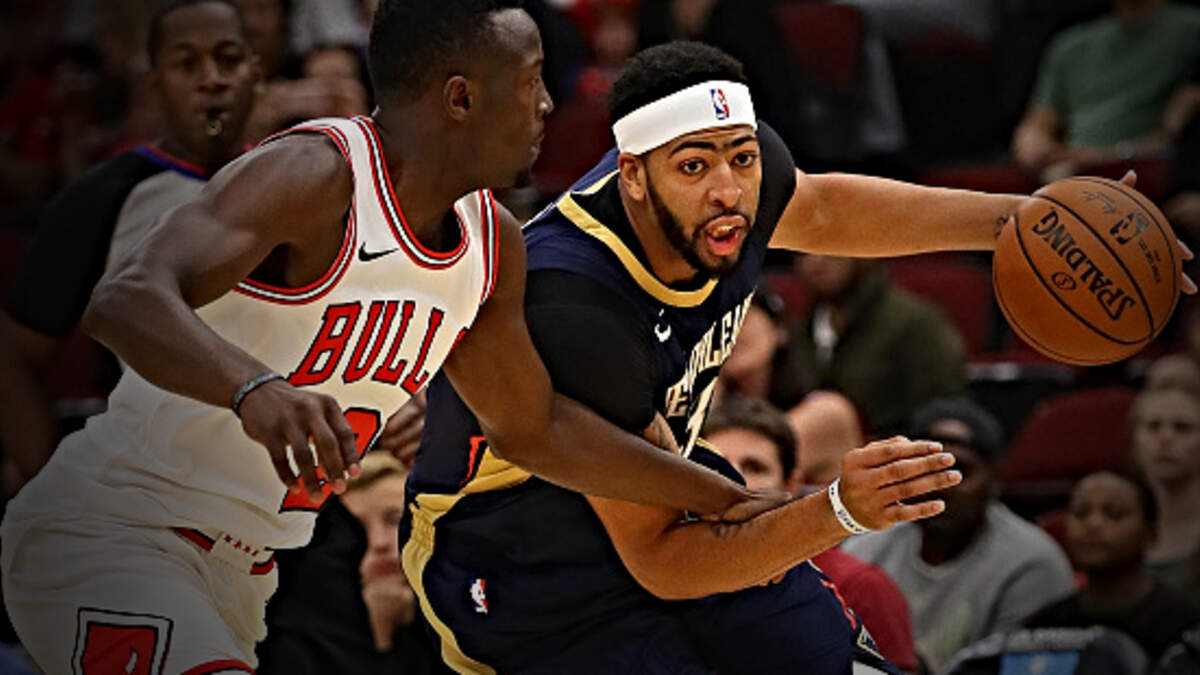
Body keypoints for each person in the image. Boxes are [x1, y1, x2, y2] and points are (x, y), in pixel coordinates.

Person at [0, 4, 790, 672]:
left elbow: (536, 429)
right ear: (460, 97)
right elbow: (125, 297)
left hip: (246, 571)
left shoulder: (492, 244)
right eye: (530, 81)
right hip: (115, 532)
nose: (549, 104)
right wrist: (255, 389)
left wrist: (721, 496)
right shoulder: (317, 175)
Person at [397, 39, 1126, 674]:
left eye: (742, 159)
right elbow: (662, 558)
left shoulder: (740, 183)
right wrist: (837, 508)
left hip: (662, 482)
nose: (728, 192)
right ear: (633, 177)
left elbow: (827, 209)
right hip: (517, 557)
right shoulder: (575, 305)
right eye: (692, 167)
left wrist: (1022, 219)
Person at [0, 0, 260, 498]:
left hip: (286, 482)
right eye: (187, 64)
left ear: (257, 72)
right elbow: (13, 352)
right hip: (155, 487)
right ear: (154, 83)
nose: (212, 80)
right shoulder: (101, 197)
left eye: (228, 60)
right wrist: (52, 482)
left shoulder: (302, 179)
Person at [844, 397, 1076, 673]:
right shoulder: (865, 549)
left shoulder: (1032, 566)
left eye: (959, 471)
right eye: (925, 471)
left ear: (994, 478)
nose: (941, 486)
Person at [703, 395, 920, 673]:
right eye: (716, 465)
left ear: (791, 484)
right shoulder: (661, 576)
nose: (735, 480)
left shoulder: (860, 587)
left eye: (754, 467)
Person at [258, 451, 448, 673]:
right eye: (355, 529)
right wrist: (384, 638)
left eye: (394, 520)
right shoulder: (296, 641)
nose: (377, 542)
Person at [1012, 0, 1200, 182]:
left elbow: (1171, 136)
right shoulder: (1072, 44)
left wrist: (1097, 158)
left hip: (1146, 173)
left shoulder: (1190, 32)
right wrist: (1034, 144)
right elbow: (1038, 123)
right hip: (1067, 172)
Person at [1025, 468, 1200, 662]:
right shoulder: (1044, 627)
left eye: (1114, 514)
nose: (1094, 524)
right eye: (1081, 513)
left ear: (1151, 533)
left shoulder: (1184, 625)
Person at [790, 253, 968, 437]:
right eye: (803, 252)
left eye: (829, 248)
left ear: (864, 252)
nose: (816, 260)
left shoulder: (916, 323)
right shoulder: (798, 329)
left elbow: (945, 410)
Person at [1131, 386, 1200, 600]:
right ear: (1135, 440)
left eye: (1182, 428)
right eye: (1153, 426)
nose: (1166, 438)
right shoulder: (1115, 530)